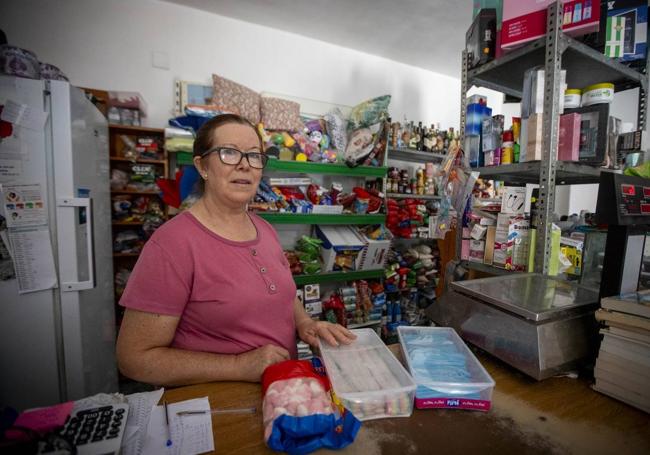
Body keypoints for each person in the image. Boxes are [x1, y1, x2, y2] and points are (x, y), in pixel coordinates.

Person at [116, 114, 355, 386]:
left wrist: (305, 324)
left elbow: (283, 294)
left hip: (281, 395)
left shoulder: (264, 229)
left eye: (254, 156)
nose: (244, 165)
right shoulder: (172, 244)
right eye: (229, 152)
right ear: (202, 166)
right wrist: (238, 366)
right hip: (220, 409)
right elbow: (134, 358)